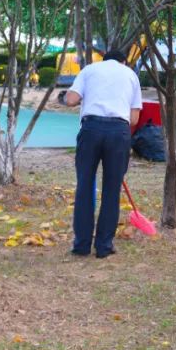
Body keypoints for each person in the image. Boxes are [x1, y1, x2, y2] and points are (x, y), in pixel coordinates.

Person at [59, 49, 142, 258]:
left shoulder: (89, 70)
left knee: (84, 186)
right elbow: (134, 119)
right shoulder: (131, 75)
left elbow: (71, 99)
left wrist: (63, 97)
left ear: (104, 60)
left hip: (91, 129)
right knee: (112, 189)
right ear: (123, 62)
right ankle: (104, 246)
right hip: (119, 132)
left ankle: (81, 245)